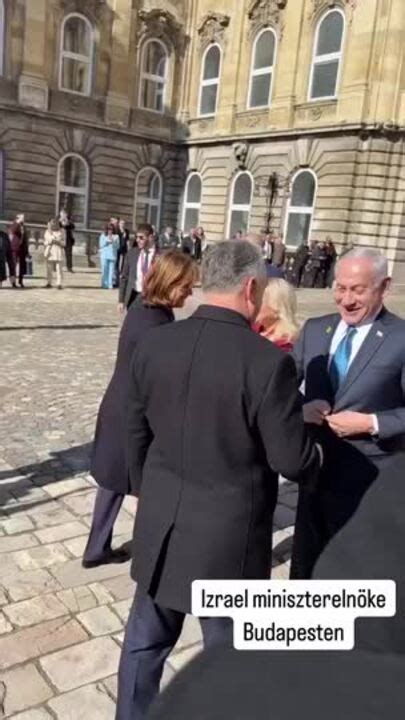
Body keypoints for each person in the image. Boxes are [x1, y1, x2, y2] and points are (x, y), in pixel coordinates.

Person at [115, 241, 320, 720]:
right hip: (229, 543)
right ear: (251, 288)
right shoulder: (267, 362)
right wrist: (318, 453)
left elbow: (134, 431)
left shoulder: (155, 343)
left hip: (162, 528)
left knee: (143, 647)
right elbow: (291, 460)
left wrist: (151, 491)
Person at [290, 247, 405, 579]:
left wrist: (372, 423)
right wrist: (301, 407)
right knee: (306, 568)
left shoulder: (400, 338)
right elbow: (280, 388)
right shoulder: (315, 329)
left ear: (384, 287)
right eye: (340, 288)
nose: (346, 300)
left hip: (368, 481)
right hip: (314, 473)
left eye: (358, 290)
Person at [83, 251, 196, 568]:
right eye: (186, 287)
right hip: (132, 414)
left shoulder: (146, 308)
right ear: (170, 282)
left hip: (120, 405)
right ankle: (151, 552)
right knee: (143, 483)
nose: (189, 294)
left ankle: (97, 548)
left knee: (114, 483)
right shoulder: (154, 323)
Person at [255, 278, 300, 352]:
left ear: (277, 307)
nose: (253, 305)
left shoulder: (286, 344)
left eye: (259, 301)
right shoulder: (252, 329)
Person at [119, 223, 156, 310]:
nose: (137, 240)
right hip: (134, 296)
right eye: (136, 237)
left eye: (141, 237)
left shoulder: (161, 255)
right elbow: (124, 277)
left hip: (152, 298)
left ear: (150, 237)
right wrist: (121, 300)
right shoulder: (132, 253)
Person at [43, 219, 65, 289]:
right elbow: (45, 242)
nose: (54, 225)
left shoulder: (62, 231)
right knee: (49, 269)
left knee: (59, 269)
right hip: (50, 251)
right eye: (52, 223)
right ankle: (49, 282)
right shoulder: (47, 231)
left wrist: (59, 242)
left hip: (58, 251)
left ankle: (59, 283)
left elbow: (64, 243)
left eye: (56, 223)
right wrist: (51, 240)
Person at [9, 214, 29, 288]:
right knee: (14, 265)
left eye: (24, 218)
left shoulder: (24, 226)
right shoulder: (14, 224)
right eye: (22, 218)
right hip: (15, 247)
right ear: (18, 218)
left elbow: (25, 238)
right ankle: (13, 282)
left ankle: (21, 281)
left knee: (22, 266)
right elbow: (13, 231)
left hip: (22, 248)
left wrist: (27, 250)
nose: (23, 219)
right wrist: (17, 222)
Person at [99, 223, 119, 289]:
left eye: (111, 229)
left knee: (111, 271)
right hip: (104, 256)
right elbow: (101, 245)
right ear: (106, 229)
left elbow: (118, 247)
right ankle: (104, 284)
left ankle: (110, 284)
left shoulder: (116, 236)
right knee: (104, 270)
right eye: (109, 229)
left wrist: (113, 242)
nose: (110, 231)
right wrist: (106, 242)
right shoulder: (103, 235)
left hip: (112, 256)